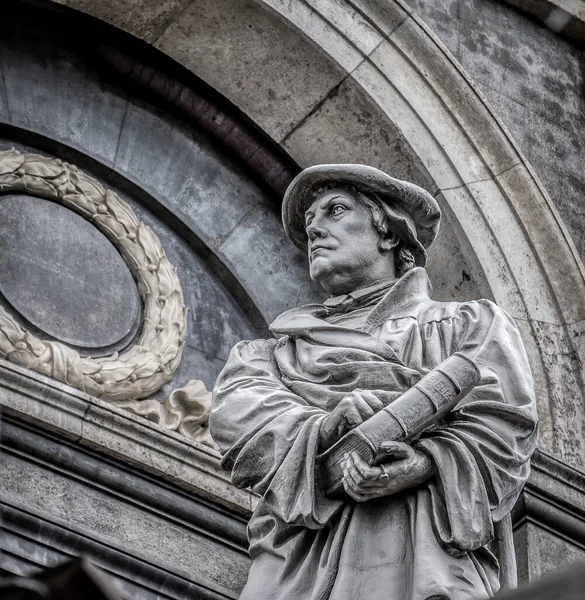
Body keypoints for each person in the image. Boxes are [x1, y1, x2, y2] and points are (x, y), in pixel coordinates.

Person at [210, 164, 538, 600]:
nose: (316, 232)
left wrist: (422, 465)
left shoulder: (467, 325)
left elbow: (504, 428)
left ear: (389, 233)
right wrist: (326, 426)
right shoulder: (271, 355)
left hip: (420, 549)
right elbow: (240, 422)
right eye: (310, 224)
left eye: (336, 211)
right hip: (298, 566)